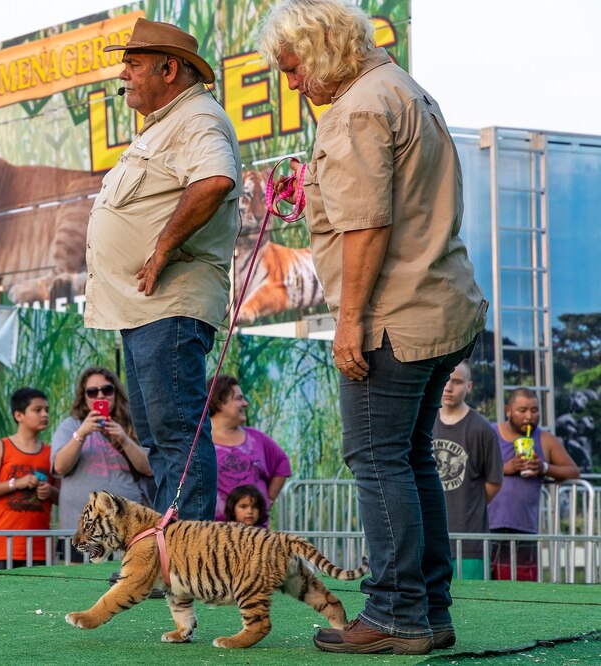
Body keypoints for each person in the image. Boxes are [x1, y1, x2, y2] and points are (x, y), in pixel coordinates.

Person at [258, 0, 488, 654]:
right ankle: (428, 611)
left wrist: (349, 324)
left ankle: (393, 614)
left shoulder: (358, 108)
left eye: (294, 67)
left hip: (394, 318)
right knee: (409, 458)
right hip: (445, 304)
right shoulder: (404, 89)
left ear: (325, 49)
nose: (292, 82)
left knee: (375, 458)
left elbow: (367, 227)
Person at [83, 18, 241, 521]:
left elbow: (215, 181)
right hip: (144, 307)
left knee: (177, 437)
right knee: (161, 439)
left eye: (132, 64)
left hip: (169, 305)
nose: (122, 74)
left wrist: (162, 250)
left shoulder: (196, 118)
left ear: (168, 68)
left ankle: (186, 560)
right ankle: (168, 554)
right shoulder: (168, 124)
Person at [488, 388, 580, 581]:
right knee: (481, 588)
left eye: (535, 410)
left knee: (521, 592)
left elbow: (573, 471)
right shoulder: (490, 433)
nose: (529, 416)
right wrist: (505, 468)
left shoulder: (544, 439)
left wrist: (544, 467)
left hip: (524, 529)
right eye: (522, 410)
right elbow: (470, 468)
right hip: (484, 526)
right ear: (508, 410)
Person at [51, 367, 152, 536]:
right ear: (83, 397)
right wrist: (81, 433)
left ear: (115, 393)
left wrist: (124, 439)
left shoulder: (132, 426)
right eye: (92, 392)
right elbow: (60, 467)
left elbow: (149, 468)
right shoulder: (71, 426)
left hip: (127, 526)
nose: (100, 396)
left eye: (107, 390)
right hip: (81, 527)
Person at [432, 361, 502, 580]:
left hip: (471, 542)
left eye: (457, 382)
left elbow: (494, 482)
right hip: (430, 539)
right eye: (445, 380)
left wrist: (468, 504)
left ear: (469, 387)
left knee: (475, 605)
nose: (449, 387)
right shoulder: (423, 423)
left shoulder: (482, 428)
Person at [0, 387, 58, 570]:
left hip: (39, 550)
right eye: (37, 410)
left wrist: (50, 491)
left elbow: (62, 496)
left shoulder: (51, 453)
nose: (44, 414)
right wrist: (16, 483)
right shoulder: (1, 447)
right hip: (1, 548)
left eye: (47, 410)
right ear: (19, 415)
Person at [208, 375, 291, 523]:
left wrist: (268, 500)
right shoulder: (200, 442)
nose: (245, 403)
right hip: (215, 534)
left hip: (255, 534)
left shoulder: (257, 438)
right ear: (220, 402)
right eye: (239, 398)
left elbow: (282, 463)